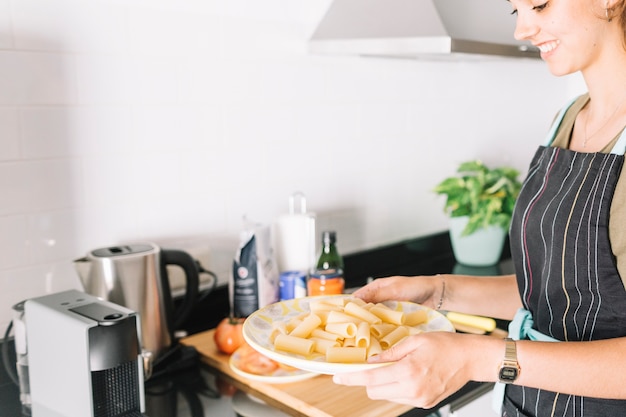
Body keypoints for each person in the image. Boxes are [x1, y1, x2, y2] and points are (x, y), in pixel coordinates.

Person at [332, 0, 626, 415]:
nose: (522, 30)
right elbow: (560, 290)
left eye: (539, 5)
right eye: (515, 11)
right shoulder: (568, 117)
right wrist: (438, 291)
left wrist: (477, 356)